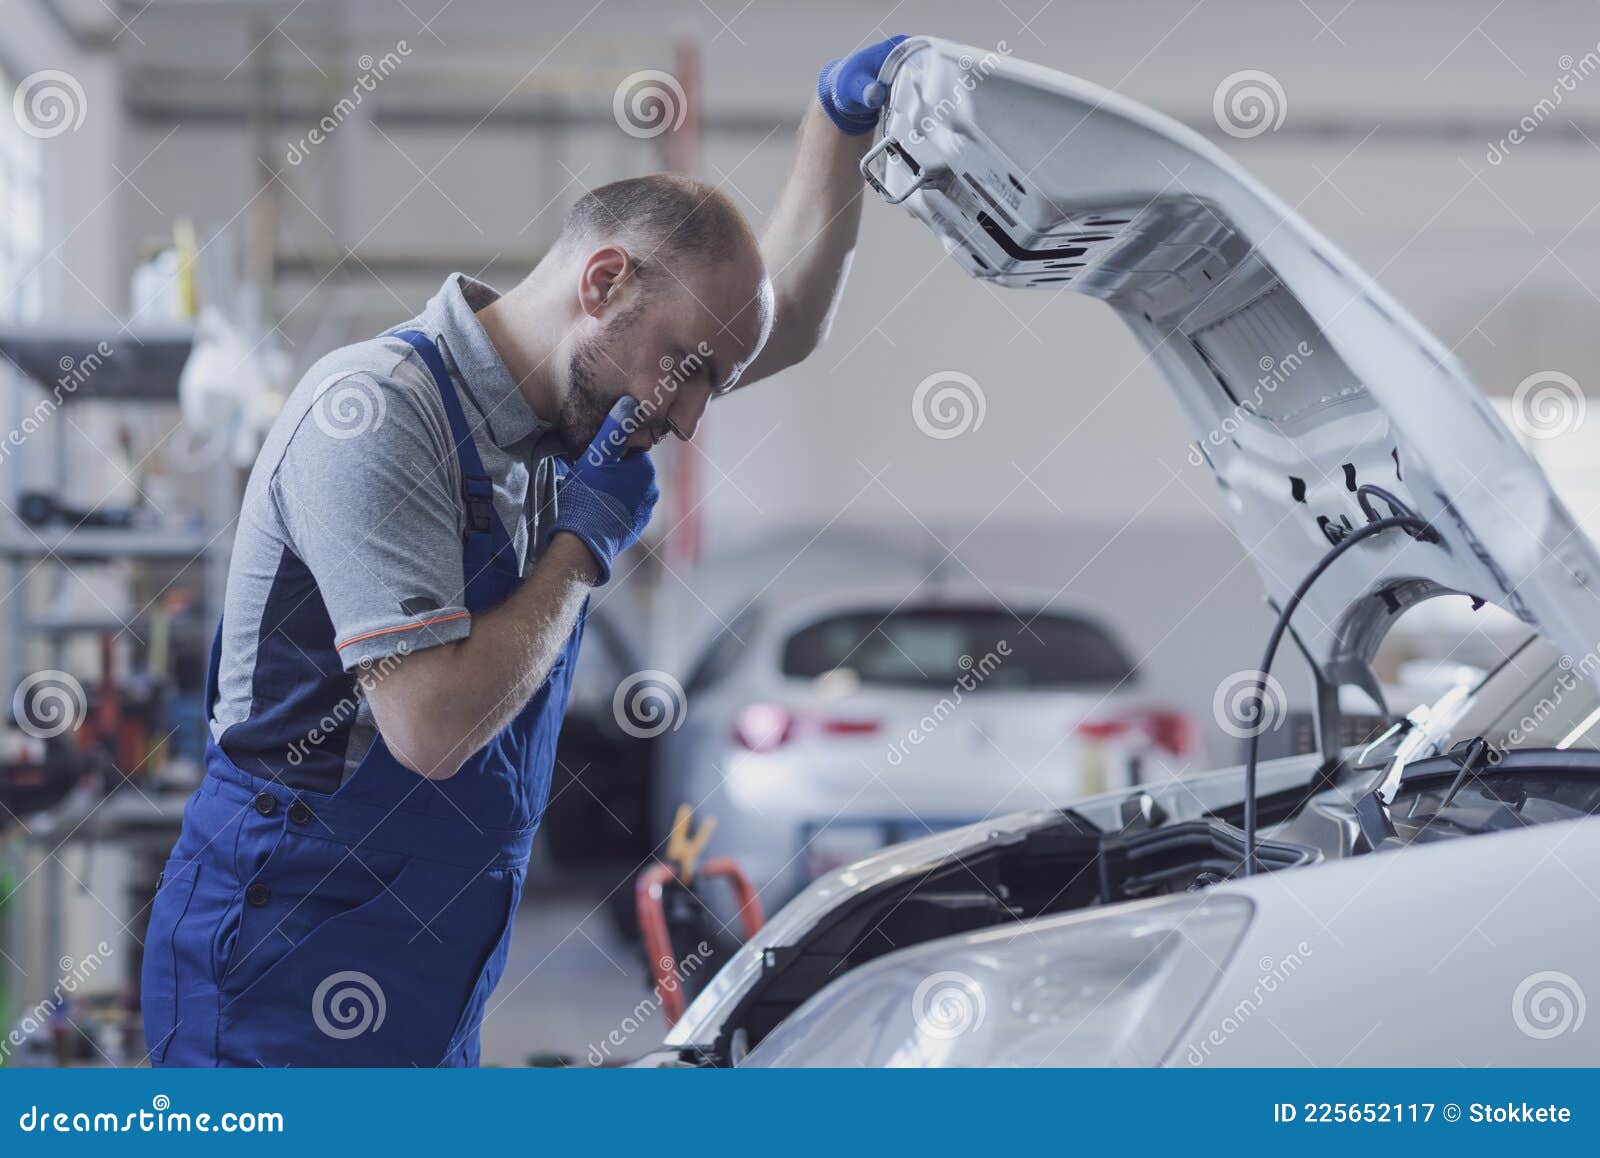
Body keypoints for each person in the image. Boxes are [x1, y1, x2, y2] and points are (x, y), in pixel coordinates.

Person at [142, 35, 910, 1066]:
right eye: (683, 368)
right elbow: (432, 729)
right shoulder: (375, 415)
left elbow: (790, 323)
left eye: (709, 386)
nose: (684, 418)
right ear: (603, 280)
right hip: (279, 960)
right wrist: (583, 543)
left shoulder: (586, 419)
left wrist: (837, 126)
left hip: (432, 968)